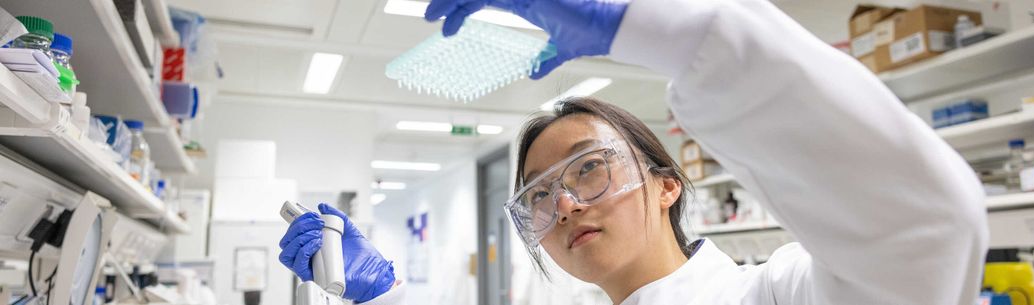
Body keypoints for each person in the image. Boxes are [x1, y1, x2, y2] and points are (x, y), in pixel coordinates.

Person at [278, 0, 989, 303]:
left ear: (667, 184)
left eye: (590, 166)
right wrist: (381, 290)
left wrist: (675, 30)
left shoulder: (776, 293)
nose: (566, 204)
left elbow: (927, 231)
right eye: (538, 195)